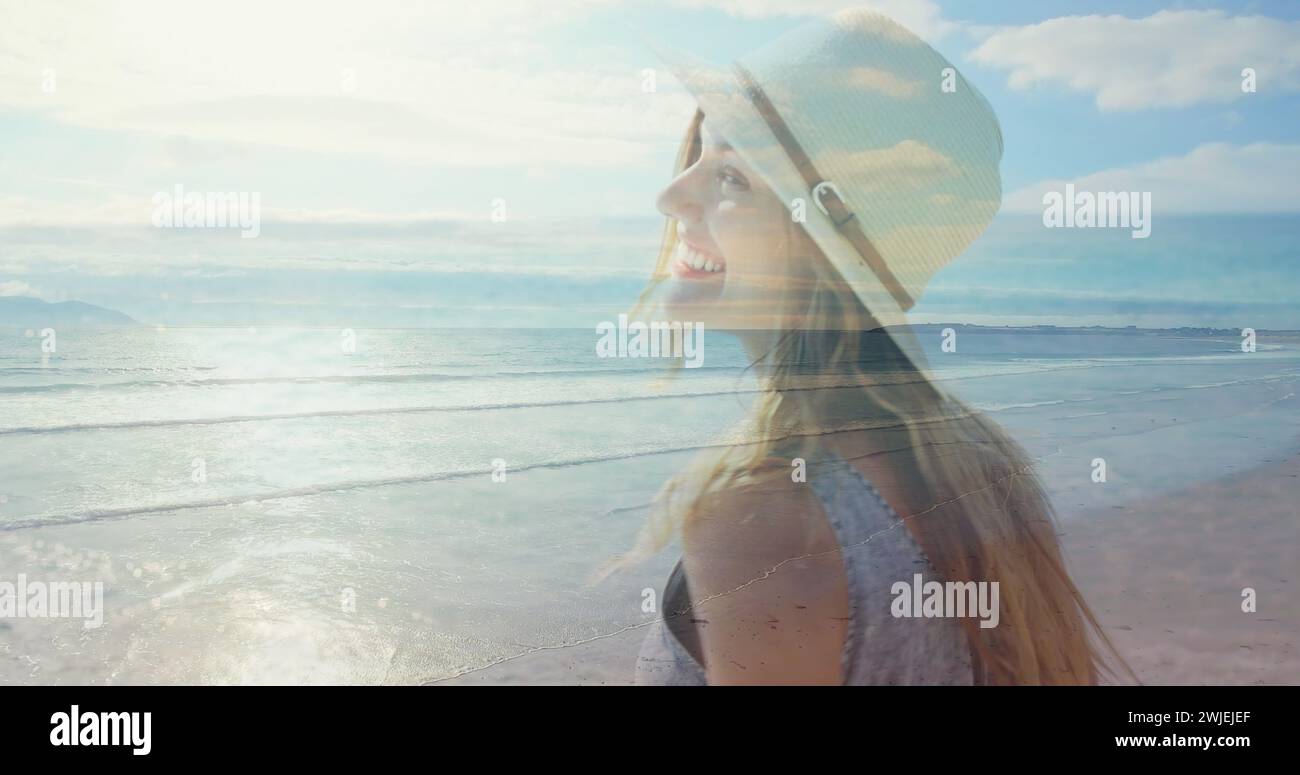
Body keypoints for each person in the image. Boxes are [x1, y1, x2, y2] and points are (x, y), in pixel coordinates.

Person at [621, 7, 1131, 685]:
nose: (671, 195)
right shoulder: (978, 469)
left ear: (823, 250)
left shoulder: (763, 520)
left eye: (734, 178)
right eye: (700, 156)